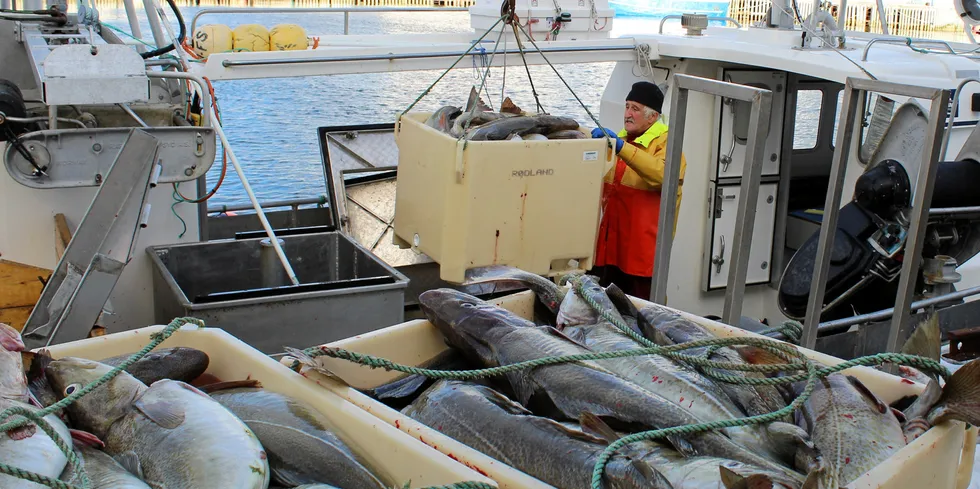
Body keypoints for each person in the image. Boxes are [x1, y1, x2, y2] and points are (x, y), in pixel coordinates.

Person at [588, 81, 687, 299]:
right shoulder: (621, 140)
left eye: (635, 108)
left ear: (653, 117)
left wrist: (623, 148)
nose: (627, 114)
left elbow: (662, 175)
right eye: (626, 106)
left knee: (644, 314)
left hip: (643, 261)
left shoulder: (668, 143)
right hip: (610, 254)